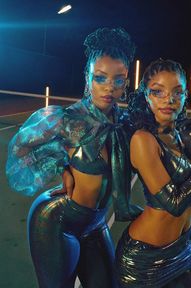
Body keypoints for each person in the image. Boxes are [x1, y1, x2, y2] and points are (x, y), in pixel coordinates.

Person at [6, 27, 141, 288]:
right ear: (87, 76)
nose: (109, 88)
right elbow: (19, 149)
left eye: (118, 80)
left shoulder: (125, 124)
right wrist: (61, 165)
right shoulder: (68, 120)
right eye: (100, 78)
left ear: (126, 81)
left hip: (96, 223)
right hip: (57, 223)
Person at [115, 58, 191, 288]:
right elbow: (174, 204)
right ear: (146, 96)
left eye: (177, 92)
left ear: (185, 95)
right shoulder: (143, 140)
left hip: (183, 249)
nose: (170, 100)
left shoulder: (183, 135)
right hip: (144, 261)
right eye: (158, 92)